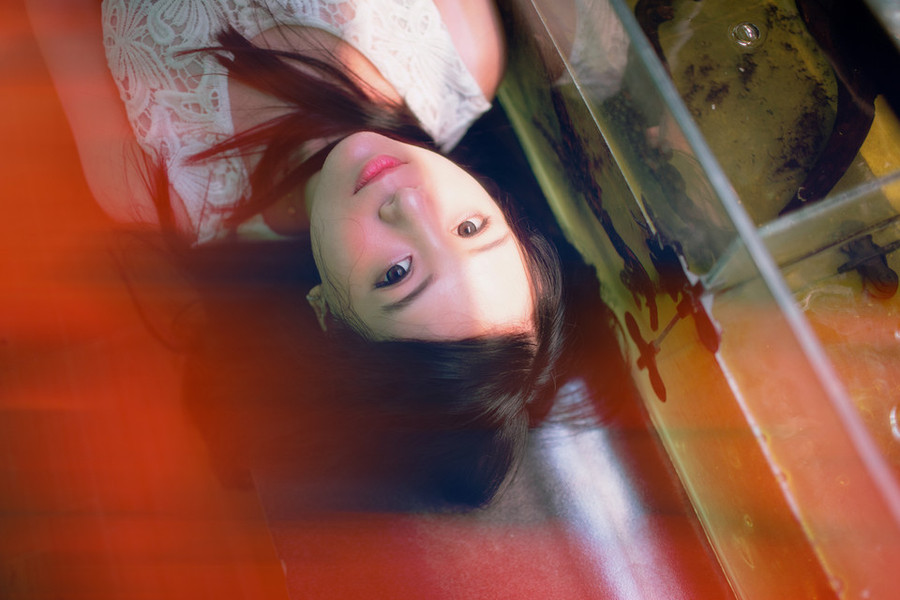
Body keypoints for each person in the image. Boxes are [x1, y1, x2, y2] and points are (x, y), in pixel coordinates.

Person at [28, 0, 628, 509]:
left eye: (397, 274)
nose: (411, 205)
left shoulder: (147, 181)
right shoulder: (458, 53)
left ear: (328, 314)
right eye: (471, 227)